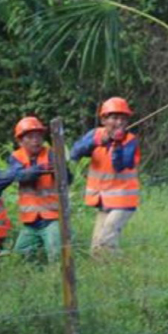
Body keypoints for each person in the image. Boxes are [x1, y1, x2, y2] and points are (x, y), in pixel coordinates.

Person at [71, 97, 140, 253]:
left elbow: (121, 165)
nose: (119, 123)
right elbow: (75, 153)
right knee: (96, 247)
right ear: (103, 120)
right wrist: (96, 142)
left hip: (123, 200)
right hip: (103, 199)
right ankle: (109, 266)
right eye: (114, 118)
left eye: (123, 119)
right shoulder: (95, 134)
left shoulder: (130, 141)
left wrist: (116, 145)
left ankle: (116, 264)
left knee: (106, 240)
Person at [9, 116, 66, 261]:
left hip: (52, 218)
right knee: (19, 257)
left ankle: (55, 273)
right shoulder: (16, 157)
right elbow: (19, 176)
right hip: (30, 221)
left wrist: (60, 169)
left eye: (38, 136)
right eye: (30, 137)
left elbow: (67, 178)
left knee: (57, 255)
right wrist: (41, 169)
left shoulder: (52, 153)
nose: (36, 140)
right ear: (20, 141)